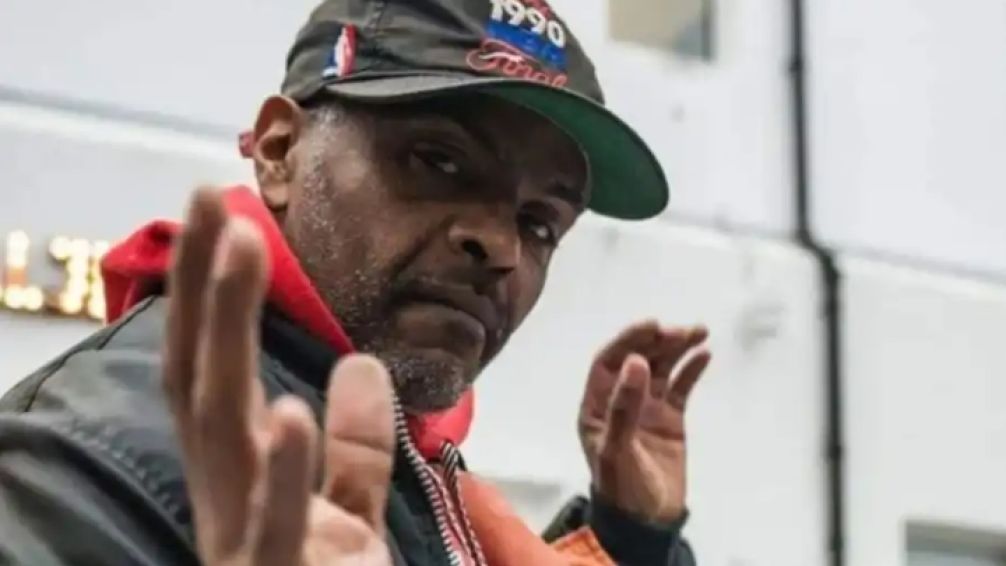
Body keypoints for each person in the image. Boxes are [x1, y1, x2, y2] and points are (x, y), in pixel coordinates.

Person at [0, 0, 712, 564]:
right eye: (438, 161)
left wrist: (631, 535)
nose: (500, 247)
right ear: (279, 151)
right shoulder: (94, 458)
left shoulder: (403, 454)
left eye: (540, 223)